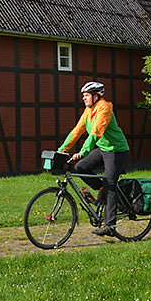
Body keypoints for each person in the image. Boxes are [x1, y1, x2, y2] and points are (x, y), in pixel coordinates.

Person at [59, 81, 130, 237]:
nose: (83, 99)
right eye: (83, 96)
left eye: (86, 96)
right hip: (103, 149)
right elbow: (77, 131)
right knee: (81, 167)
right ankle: (104, 193)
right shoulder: (88, 111)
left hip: (117, 150)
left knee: (109, 182)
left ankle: (110, 225)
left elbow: (96, 132)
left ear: (96, 96)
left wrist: (83, 152)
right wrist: (62, 150)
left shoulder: (105, 108)